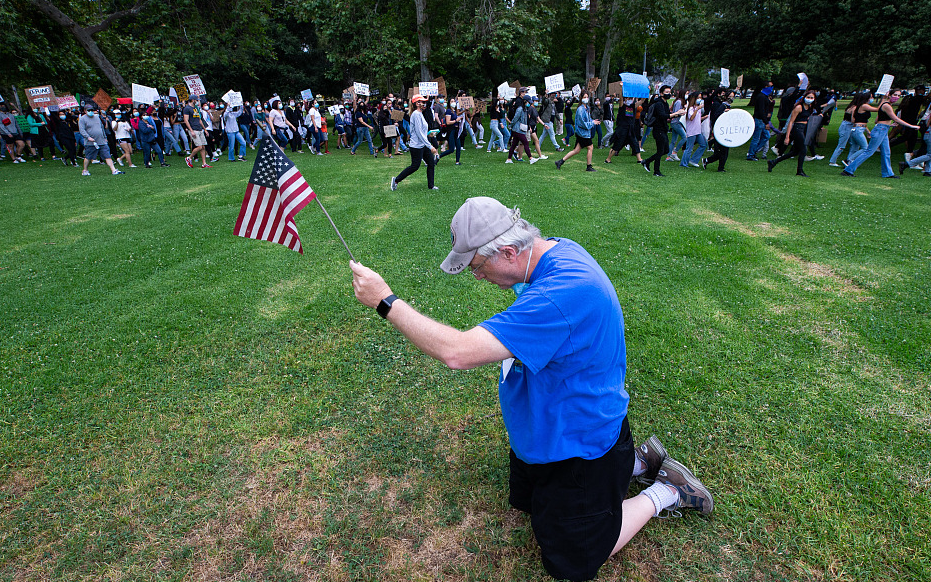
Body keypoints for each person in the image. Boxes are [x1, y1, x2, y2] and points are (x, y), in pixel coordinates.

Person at [349, 196, 713, 582]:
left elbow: (457, 353)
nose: (476, 276)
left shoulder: (561, 296)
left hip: (578, 443)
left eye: (477, 266)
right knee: (532, 505)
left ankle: (667, 490)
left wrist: (386, 302)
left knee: (572, 562)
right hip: (545, 432)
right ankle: (636, 462)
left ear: (508, 251)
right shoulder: (553, 251)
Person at [841, 88, 920, 179]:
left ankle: (888, 173)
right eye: (895, 95)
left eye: (898, 95)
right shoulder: (886, 105)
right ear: (889, 95)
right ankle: (848, 170)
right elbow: (896, 119)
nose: (897, 97)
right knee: (869, 151)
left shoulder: (885, 104)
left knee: (886, 152)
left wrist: (888, 125)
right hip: (880, 130)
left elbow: (877, 120)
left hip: (883, 129)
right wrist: (911, 126)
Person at [389, 94, 438, 191]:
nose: (424, 104)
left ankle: (431, 186)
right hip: (416, 146)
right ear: (417, 103)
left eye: (424, 102)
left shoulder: (420, 114)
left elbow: (421, 131)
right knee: (415, 166)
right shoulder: (416, 114)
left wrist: (429, 134)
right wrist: (430, 146)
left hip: (423, 144)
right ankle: (396, 180)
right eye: (422, 102)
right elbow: (419, 133)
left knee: (431, 163)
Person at [768, 89, 818, 177]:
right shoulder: (799, 107)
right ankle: (800, 170)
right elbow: (791, 122)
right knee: (803, 150)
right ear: (804, 97)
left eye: (812, 97)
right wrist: (787, 136)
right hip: (797, 129)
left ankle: (773, 162)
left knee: (795, 152)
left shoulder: (810, 107)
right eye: (808, 97)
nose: (810, 99)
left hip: (803, 128)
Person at [641, 86, 684, 177]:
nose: (668, 93)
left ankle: (647, 161)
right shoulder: (659, 103)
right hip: (658, 129)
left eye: (669, 92)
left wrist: (677, 115)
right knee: (660, 150)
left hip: (663, 129)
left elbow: (667, 116)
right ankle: (656, 171)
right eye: (666, 92)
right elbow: (662, 116)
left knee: (666, 150)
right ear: (661, 93)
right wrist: (676, 113)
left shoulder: (665, 104)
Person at [555, 90, 599, 172]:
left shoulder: (587, 108)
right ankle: (589, 166)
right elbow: (583, 123)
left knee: (576, 150)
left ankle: (560, 162)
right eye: (584, 97)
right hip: (583, 133)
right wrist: (592, 123)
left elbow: (588, 120)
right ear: (581, 98)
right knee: (590, 147)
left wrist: (593, 121)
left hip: (583, 133)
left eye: (587, 97)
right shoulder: (580, 109)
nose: (586, 99)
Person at [78, 105, 124, 176]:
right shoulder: (82, 119)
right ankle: (85, 170)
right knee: (88, 157)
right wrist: (88, 137)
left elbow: (102, 128)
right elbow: (82, 130)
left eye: (92, 110)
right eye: (88, 110)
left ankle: (113, 170)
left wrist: (105, 137)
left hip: (101, 141)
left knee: (107, 155)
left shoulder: (97, 118)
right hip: (91, 142)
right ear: (85, 111)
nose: (91, 112)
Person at [605, 95, 642, 165]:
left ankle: (639, 159)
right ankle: (608, 159)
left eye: (631, 98)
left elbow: (642, 100)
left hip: (630, 130)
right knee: (617, 144)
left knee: (635, 143)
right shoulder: (622, 106)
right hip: (622, 129)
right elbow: (621, 98)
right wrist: (621, 88)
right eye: (629, 98)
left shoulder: (633, 106)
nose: (630, 99)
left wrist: (646, 91)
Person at [506, 95, 538, 165]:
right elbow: (515, 118)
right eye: (528, 102)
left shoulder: (524, 109)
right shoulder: (520, 109)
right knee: (525, 143)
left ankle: (509, 159)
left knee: (514, 144)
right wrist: (511, 125)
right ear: (525, 101)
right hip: (518, 129)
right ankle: (531, 158)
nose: (529, 103)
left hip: (519, 129)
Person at [679, 92, 708, 168]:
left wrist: (704, 117)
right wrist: (697, 109)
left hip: (698, 131)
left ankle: (693, 160)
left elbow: (697, 119)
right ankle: (683, 163)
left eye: (700, 98)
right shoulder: (691, 108)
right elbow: (691, 118)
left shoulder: (698, 108)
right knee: (689, 148)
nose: (700, 99)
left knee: (703, 145)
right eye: (698, 97)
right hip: (692, 131)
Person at [746, 82, 774, 161]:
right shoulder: (761, 97)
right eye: (770, 86)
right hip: (759, 120)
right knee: (756, 138)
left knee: (766, 136)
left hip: (762, 119)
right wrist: (766, 122)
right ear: (766, 86)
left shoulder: (764, 96)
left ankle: (753, 151)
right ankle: (751, 154)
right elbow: (761, 110)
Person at [182, 98, 211, 168]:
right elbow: (186, 120)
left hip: (199, 129)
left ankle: (204, 163)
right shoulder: (187, 109)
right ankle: (189, 158)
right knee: (199, 146)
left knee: (203, 146)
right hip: (193, 129)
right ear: (192, 100)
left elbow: (199, 120)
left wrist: (205, 129)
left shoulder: (196, 108)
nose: (198, 101)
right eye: (196, 100)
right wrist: (191, 130)